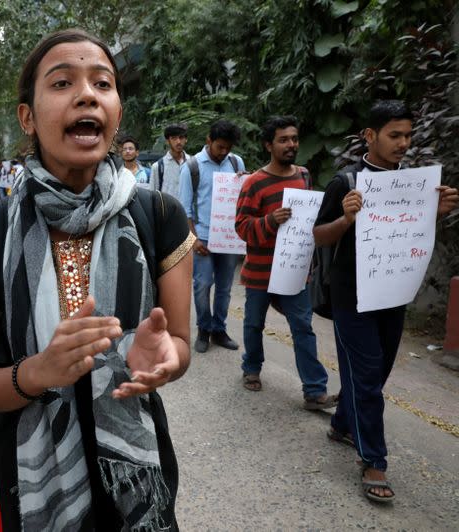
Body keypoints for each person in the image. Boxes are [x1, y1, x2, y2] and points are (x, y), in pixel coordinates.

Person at [0, 29, 194, 530]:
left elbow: (179, 345)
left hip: (136, 469)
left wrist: (168, 359)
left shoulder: (161, 215)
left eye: (102, 84)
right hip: (31, 475)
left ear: (117, 111)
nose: (87, 94)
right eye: (62, 83)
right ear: (28, 117)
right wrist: (39, 372)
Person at [313, 100, 458, 503]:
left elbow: (407, 232)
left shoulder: (413, 184)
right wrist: (345, 218)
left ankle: (342, 423)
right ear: (370, 136)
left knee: (375, 376)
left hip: (394, 295)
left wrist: (435, 211)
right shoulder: (347, 182)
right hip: (352, 298)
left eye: (408, 135)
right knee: (367, 378)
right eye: (395, 135)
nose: (403, 143)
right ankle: (373, 460)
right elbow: (319, 236)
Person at [234, 116, 337, 409]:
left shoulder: (303, 176)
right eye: (283, 139)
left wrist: (311, 259)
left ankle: (315, 391)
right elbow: (241, 227)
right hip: (259, 273)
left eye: (294, 138)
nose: (291, 144)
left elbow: (309, 224)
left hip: (294, 271)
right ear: (269, 145)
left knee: (303, 328)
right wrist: (269, 221)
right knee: (254, 324)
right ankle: (251, 369)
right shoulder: (254, 183)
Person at [179, 120, 245, 353]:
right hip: (203, 237)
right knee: (203, 284)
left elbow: (243, 201)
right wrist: (193, 239)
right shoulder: (192, 167)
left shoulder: (236, 163)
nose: (224, 152)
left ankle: (219, 330)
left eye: (227, 147)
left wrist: (244, 181)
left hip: (229, 237)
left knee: (225, 287)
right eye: (220, 147)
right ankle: (203, 328)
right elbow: (184, 208)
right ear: (209, 140)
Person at [150, 123, 189, 199]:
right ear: (167, 141)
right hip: (167, 210)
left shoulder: (193, 163)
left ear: (186, 139)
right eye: (174, 138)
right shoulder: (158, 167)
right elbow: (152, 196)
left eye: (181, 138)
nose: (178, 142)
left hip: (187, 210)